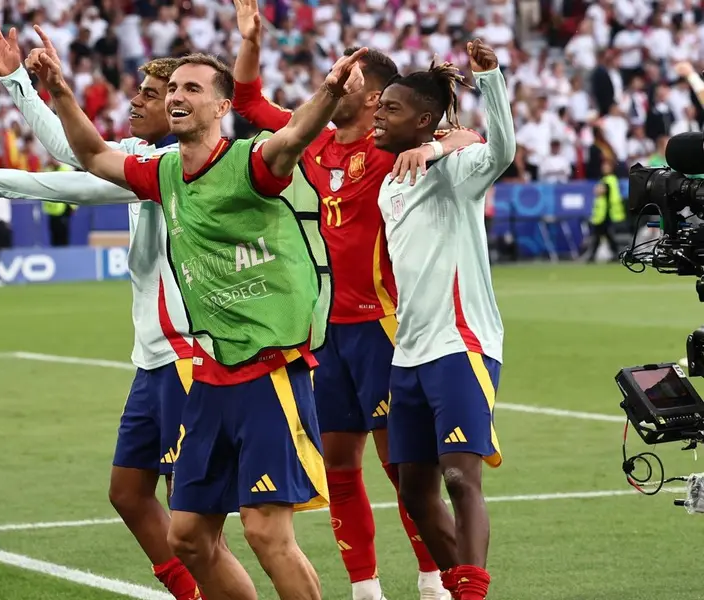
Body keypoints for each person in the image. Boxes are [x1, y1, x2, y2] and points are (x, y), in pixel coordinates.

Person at [28, 21, 364, 598]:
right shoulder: (163, 173)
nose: (178, 97)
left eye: (192, 89)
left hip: (269, 369)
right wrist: (58, 89)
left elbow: (290, 142)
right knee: (186, 535)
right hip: (208, 373)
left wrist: (330, 93)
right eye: (173, 88)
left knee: (265, 532)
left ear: (222, 105)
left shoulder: (251, 163)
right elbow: (92, 156)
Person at [0, 23, 202, 598]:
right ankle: (191, 592)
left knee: (191, 514)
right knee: (128, 494)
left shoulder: (176, 165)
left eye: (151, 95)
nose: (136, 101)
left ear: (183, 106)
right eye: (142, 90)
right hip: (152, 356)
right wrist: (16, 82)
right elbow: (69, 148)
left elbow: (79, 187)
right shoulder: (137, 154)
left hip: (186, 355)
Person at [229, 0, 480, 597]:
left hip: (384, 329)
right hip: (325, 331)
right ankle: (365, 586)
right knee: (340, 467)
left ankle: (432, 581)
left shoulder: (395, 142)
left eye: (349, 72)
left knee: (403, 469)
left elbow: (471, 135)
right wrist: (252, 42)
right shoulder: (309, 140)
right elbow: (245, 103)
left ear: (375, 95)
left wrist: (438, 147)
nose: (334, 77)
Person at [371, 39, 513, 600]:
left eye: (392, 109)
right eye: (379, 107)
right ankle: (462, 586)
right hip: (408, 354)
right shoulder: (388, 185)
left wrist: (492, 81)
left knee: (460, 477)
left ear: (425, 120)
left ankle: (471, 592)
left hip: (461, 344)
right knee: (413, 492)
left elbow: (498, 150)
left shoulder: (458, 172)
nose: (379, 116)